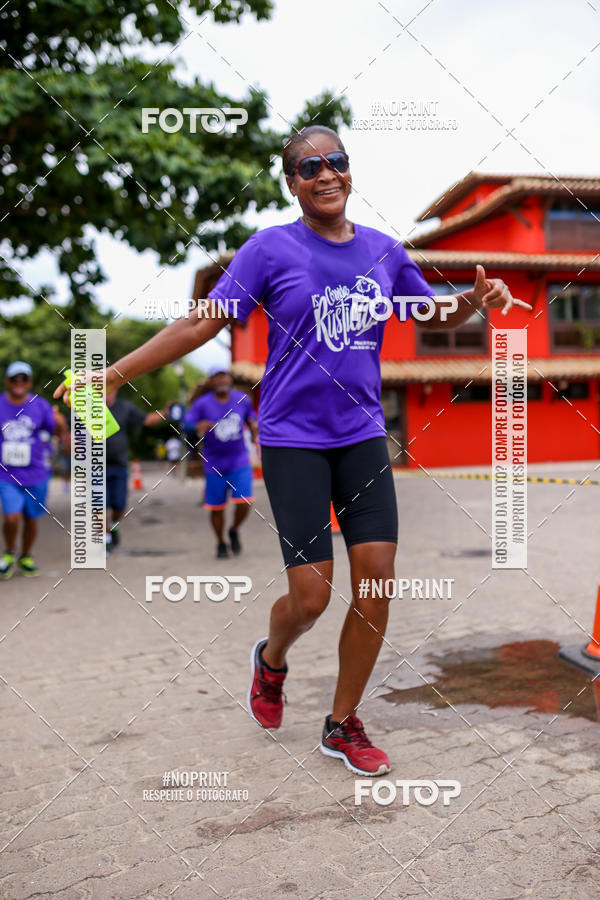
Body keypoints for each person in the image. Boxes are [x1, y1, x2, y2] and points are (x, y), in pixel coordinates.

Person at [55, 125, 531, 775]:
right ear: (292, 182)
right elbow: (203, 320)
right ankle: (271, 659)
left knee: (377, 585)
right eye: (311, 167)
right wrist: (113, 375)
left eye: (337, 162)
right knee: (310, 598)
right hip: (292, 440)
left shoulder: (386, 252)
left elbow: (428, 315)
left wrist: (473, 300)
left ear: (349, 171)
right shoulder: (270, 250)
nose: (327, 174)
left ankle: (342, 723)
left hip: (362, 436)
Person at [0, 361, 68, 578]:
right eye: (14, 379)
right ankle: (9, 552)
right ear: (7, 381)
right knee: (12, 517)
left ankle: (26, 555)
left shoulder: (40, 405)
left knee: (31, 518)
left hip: (37, 473)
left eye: (23, 379)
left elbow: (58, 432)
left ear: (29, 382)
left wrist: (59, 422)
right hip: (7, 474)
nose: (19, 383)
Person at [184, 366, 258, 558]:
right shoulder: (202, 404)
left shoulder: (242, 399)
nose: (221, 381)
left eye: (224, 377)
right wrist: (196, 426)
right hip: (213, 463)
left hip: (239, 460)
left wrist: (255, 431)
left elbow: (252, 419)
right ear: (211, 382)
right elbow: (187, 424)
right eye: (217, 378)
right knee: (216, 507)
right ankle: (220, 542)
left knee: (244, 502)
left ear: (230, 380)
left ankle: (233, 530)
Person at [104, 389, 168, 550]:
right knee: (100, 505)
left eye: (108, 388)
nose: (105, 393)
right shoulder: (88, 408)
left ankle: (113, 525)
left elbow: (146, 420)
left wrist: (165, 413)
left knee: (119, 506)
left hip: (119, 465)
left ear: (115, 389)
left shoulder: (124, 407)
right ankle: (105, 541)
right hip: (96, 467)